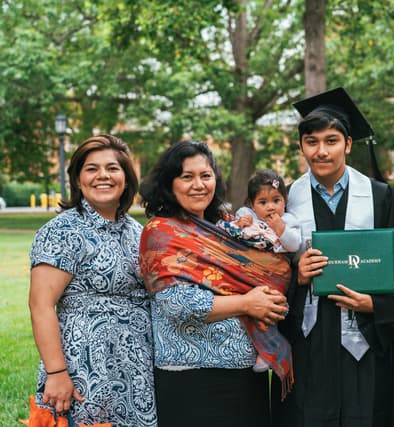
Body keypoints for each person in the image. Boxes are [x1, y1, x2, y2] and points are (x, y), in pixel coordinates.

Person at [271, 87, 394, 427]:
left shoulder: (381, 197)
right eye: (311, 142)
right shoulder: (283, 201)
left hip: (366, 343)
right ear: (301, 147)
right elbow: (265, 272)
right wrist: (295, 276)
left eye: (331, 140)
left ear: (348, 144)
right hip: (308, 342)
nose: (321, 150)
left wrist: (376, 306)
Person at [138, 140, 291, 427]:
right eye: (187, 176)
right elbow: (178, 304)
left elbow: (268, 264)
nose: (199, 185)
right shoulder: (160, 233)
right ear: (170, 184)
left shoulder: (228, 225)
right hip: (191, 377)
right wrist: (248, 303)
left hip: (246, 373)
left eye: (205, 176)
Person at [28, 134, 156, 426]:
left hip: (136, 373)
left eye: (113, 168)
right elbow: (40, 305)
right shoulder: (64, 230)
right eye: (91, 168)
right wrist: (57, 373)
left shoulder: (137, 232)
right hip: (83, 371)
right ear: (77, 179)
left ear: (126, 178)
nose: (103, 176)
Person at [218, 169, 301, 373]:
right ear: (252, 204)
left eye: (276, 200)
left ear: (285, 200)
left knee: (268, 310)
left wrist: (280, 228)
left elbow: (294, 245)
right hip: (249, 270)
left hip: (274, 273)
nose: (270, 207)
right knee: (248, 309)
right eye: (263, 202)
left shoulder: (289, 221)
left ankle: (269, 350)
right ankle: (256, 346)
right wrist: (241, 222)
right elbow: (236, 228)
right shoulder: (249, 215)